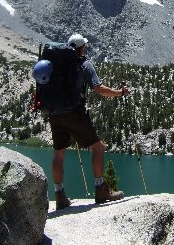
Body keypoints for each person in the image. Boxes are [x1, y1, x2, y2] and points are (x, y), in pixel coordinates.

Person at [50, 33, 130, 209]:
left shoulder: (57, 63)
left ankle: (59, 195)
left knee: (59, 153)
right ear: (82, 48)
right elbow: (99, 89)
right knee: (98, 147)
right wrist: (120, 93)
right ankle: (101, 190)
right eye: (84, 46)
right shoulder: (84, 64)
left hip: (54, 113)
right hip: (74, 113)